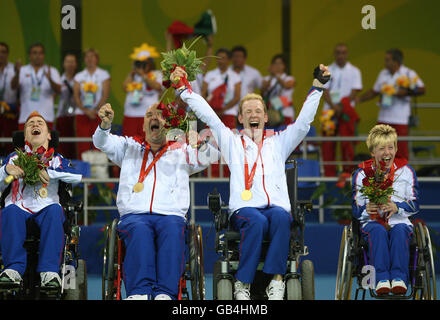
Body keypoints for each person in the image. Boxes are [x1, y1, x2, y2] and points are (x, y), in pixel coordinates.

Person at [172, 64, 330, 300]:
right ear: (240, 117)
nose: (253, 115)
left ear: (265, 117)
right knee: (255, 221)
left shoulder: (280, 142)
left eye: (258, 111)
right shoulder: (232, 142)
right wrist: (184, 89)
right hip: (244, 209)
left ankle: (276, 282)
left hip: (275, 206)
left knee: (280, 217)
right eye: (248, 111)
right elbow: (209, 116)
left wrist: (317, 88)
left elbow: (303, 123)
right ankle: (242, 283)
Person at [93, 102, 219, 300]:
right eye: (149, 114)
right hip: (135, 215)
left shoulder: (182, 151)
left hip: (171, 215)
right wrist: (105, 125)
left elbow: (212, 155)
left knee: (171, 229)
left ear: (168, 124)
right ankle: (139, 293)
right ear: (143, 126)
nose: (154, 117)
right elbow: (101, 142)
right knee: (140, 230)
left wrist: (199, 142)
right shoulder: (128, 147)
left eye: (160, 114)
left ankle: (165, 294)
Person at [0, 111, 83, 289]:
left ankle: (49, 272)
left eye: (40, 123)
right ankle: (13, 269)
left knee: (54, 210)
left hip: (46, 209)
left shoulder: (56, 160)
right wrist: (6, 171)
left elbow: (77, 176)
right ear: (25, 136)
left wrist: (47, 171)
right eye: (30, 124)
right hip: (17, 208)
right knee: (9, 211)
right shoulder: (13, 159)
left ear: (48, 135)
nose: (35, 125)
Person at [352, 124, 419, 295]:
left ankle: (399, 279)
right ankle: (381, 279)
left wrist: (398, 207)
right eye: (381, 148)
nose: (387, 153)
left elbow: (415, 204)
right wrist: (366, 208)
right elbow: (355, 209)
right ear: (373, 152)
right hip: (372, 222)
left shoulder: (406, 171)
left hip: (399, 220)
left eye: (390, 147)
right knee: (378, 231)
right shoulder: (362, 174)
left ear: (396, 149)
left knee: (400, 231)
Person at [356, 49, 425, 160]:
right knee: (379, 149)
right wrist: (359, 99)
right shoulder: (383, 73)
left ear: (396, 62)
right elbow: (375, 91)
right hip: (383, 117)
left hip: (400, 119)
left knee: (400, 150)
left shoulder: (408, 73)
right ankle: (382, 175)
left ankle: (401, 176)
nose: (385, 62)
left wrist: (405, 92)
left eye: (387, 60)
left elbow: (422, 90)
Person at [321, 43, 362, 176]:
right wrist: (334, 107)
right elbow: (323, 91)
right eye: (338, 52)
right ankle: (329, 175)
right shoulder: (327, 70)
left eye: (343, 52)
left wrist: (342, 106)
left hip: (347, 113)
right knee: (328, 145)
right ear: (334, 54)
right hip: (329, 112)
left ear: (347, 54)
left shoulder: (354, 71)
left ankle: (347, 174)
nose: (340, 55)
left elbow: (355, 91)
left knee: (347, 145)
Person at [11, 43, 61, 130]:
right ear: (29, 55)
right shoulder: (22, 70)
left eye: (40, 53)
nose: (37, 56)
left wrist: (50, 79)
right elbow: (13, 87)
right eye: (34, 53)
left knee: (45, 144)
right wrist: (17, 73)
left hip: (46, 117)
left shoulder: (52, 71)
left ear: (44, 55)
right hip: (26, 117)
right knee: (25, 144)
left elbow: (59, 91)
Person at [73, 48, 111, 159]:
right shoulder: (79, 76)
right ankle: (84, 173)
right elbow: (76, 96)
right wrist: (86, 111)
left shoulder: (104, 74)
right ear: (84, 59)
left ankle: (99, 173)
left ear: (97, 59)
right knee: (82, 144)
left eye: (92, 56)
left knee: (99, 144)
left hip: (99, 113)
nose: (89, 59)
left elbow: (105, 94)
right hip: (82, 114)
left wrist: (95, 110)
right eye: (87, 57)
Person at [122, 44, 163, 138]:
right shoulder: (133, 75)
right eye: (139, 63)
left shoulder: (156, 74)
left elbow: (157, 86)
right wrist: (132, 73)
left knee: (148, 143)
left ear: (150, 63)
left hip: (149, 115)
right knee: (130, 143)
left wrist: (143, 75)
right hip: (130, 115)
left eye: (144, 62)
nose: (142, 65)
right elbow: (125, 87)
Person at [202, 48, 241, 129]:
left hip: (229, 112)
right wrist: (212, 109)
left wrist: (223, 110)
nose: (220, 61)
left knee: (230, 139)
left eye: (223, 58)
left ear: (228, 60)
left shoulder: (235, 76)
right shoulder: (209, 74)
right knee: (211, 139)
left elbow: (237, 97)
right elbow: (203, 93)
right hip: (211, 113)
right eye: (218, 58)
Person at [230, 45, 263, 126]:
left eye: (239, 56)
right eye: (234, 56)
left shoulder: (253, 72)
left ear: (244, 58)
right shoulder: (226, 73)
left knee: (250, 134)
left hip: (249, 110)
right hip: (230, 110)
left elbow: (263, 87)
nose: (237, 59)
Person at [261, 54, 296, 128]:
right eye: (275, 63)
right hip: (270, 113)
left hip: (285, 111)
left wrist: (277, 75)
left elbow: (286, 85)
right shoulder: (266, 79)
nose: (277, 66)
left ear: (284, 66)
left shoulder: (289, 78)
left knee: (285, 135)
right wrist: (271, 76)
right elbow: (262, 91)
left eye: (279, 63)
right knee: (269, 136)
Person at [56, 53, 78, 159]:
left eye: (72, 62)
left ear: (76, 64)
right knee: (63, 144)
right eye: (68, 61)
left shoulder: (80, 80)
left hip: (75, 115)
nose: (70, 64)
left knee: (74, 145)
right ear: (64, 64)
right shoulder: (58, 80)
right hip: (62, 115)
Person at [0, 42, 18, 156]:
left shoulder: (14, 70)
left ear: (7, 54)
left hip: (10, 112)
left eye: (3, 52)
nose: (1, 54)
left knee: (10, 143)